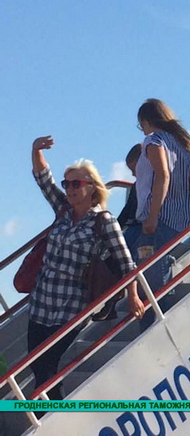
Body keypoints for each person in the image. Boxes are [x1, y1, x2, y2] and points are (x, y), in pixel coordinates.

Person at [29, 136, 144, 399]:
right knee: (38, 367)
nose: (69, 189)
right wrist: (36, 151)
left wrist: (133, 296)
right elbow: (44, 180)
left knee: (48, 367)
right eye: (67, 183)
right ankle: (51, 416)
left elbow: (126, 263)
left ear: (92, 187)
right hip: (41, 302)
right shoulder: (64, 211)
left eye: (76, 184)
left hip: (70, 306)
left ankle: (49, 417)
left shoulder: (103, 221)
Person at [128, 99, 190, 328]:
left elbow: (162, 175)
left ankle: (153, 331)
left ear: (146, 121)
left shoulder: (154, 141)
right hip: (179, 219)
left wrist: (153, 215)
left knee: (151, 284)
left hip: (158, 218)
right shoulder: (182, 145)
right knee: (158, 275)